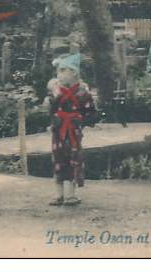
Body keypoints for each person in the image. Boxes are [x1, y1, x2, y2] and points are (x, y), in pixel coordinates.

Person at [46, 53, 97, 206]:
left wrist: (81, 119)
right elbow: (50, 108)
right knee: (58, 157)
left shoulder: (83, 93)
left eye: (62, 71)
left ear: (74, 72)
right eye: (58, 71)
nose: (58, 75)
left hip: (73, 129)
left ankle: (71, 194)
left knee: (74, 158)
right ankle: (59, 193)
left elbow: (91, 113)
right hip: (58, 129)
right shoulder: (57, 92)